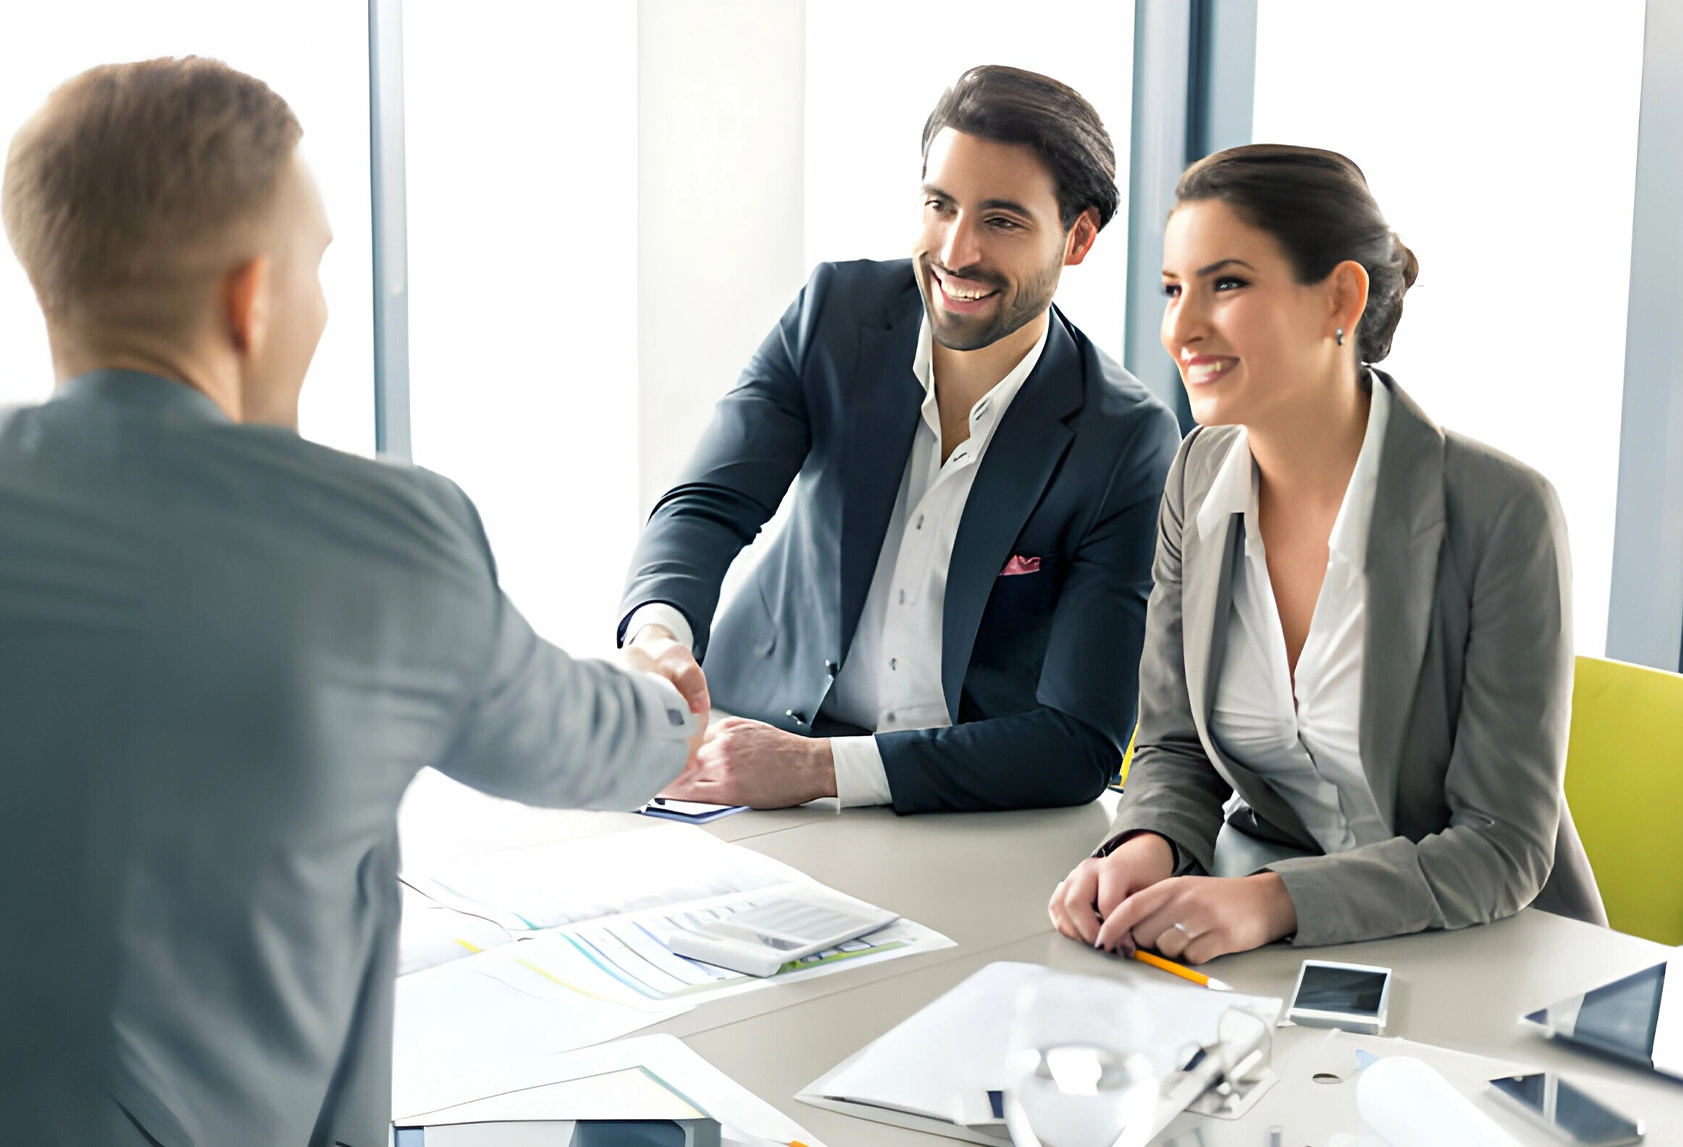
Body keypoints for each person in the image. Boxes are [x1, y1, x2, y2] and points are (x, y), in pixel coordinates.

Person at [0, 58, 699, 1146]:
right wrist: (665, 695)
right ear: (252, 298)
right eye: (317, 263)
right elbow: (583, 748)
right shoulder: (382, 538)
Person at [1048, 144, 1605, 960]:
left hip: (1484, 953)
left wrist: (1271, 902)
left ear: (1339, 297)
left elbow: (1501, 844)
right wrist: (1147, 844)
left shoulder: (1501, 511)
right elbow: (1172, 745)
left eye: (1226, 283)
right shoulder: (1196, 475)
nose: (1181, 327)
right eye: (1173, 289)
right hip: (1280, 957)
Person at [619, 65, 1181, 813]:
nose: (955, 250)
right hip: (744, 746)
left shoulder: (1123, 439)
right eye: (939, 205)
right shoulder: (834, 316)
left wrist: (823, 768)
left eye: (1001, 220)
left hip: (951, 800)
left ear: (1076, 237)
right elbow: (706, 504)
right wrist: (658, 634)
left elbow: (1079, 741)